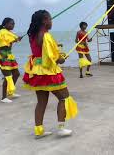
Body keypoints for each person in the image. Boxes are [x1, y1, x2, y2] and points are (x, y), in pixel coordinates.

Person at [23, 10, 78, 138]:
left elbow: (42, 49)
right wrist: (61, 59)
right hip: (47, 71)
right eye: (50, 19)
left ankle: (39, 130)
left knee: (41, 102)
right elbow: (52, 57)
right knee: (64, 97)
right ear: (44, 21)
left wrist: (56, 47)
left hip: (36, 70)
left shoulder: (33, 34)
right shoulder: (46, 35)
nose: (51, 22)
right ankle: (61, 128)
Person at [0, 18, 22, 103]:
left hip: (9, 55)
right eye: (11, 24)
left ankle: (11, 92)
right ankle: (4, 97)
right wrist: (0, 53)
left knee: (16, 74)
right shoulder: (1, 32)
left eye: (14, 24)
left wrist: (15, 40)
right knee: (7, 77)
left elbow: (9, 43)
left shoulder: (9, 33)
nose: (13, 25)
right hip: (2, 56)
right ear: (6, 24)